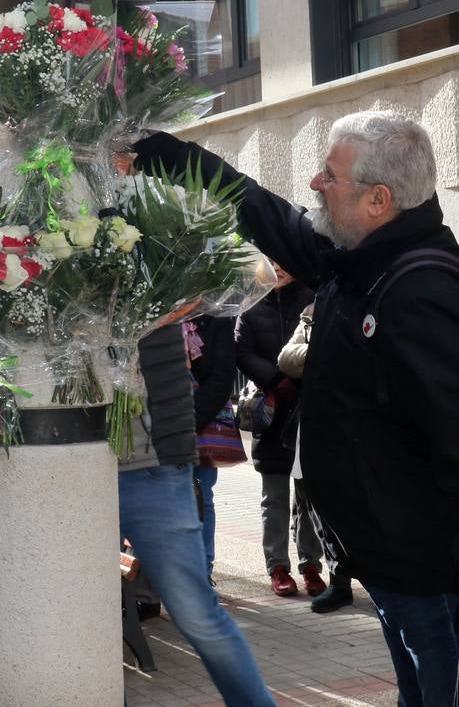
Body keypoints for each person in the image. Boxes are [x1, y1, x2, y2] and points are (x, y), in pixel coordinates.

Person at [134, 110, 459, 706]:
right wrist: (176, 158)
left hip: (431, 573)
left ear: (378, 200)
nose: (314, 184)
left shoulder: (420, 290)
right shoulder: (358, 260)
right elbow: (273, 219)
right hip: (390, 563)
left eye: (329, 175)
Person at [120, 322, 276, 706]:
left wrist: (183, 434)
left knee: (195, 611)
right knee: (78, 611)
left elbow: (216, 371)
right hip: (69, 462)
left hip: (152, 462)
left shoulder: (172, 285)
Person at [234, 261, 324, 598]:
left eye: (284, 261)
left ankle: (311, 564)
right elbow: (241, 350)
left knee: (308, 495)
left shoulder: (312, 298)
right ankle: (278, 566)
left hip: (308, 410)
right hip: (270, 411)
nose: (279, 268)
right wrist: (275, 379)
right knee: (273, 496)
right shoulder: (252, 303)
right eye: (271, 262)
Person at [278, 303, 354, 614]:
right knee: (317, 506)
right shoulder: (313, 311)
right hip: (315, 422)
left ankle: (377, 581)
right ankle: (340, 582)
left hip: (359, 425)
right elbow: (286, 359)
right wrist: (325, 349)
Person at [182, 315, 237, 583]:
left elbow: (223, 376)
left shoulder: (218, 315)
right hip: (159, 419)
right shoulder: (163, 310)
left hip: (200, 420)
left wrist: (191, 419)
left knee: (201, 494)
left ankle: (203, 571)